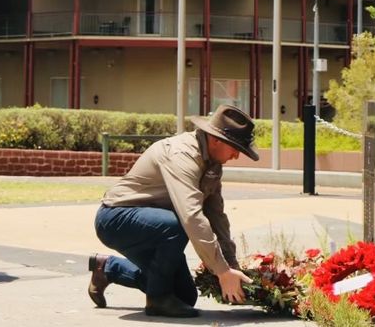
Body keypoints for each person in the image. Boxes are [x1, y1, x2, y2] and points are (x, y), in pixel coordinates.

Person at [88, 104, 258, 318]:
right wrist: (222, 271)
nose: (236, 155)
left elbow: (216, 216)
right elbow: (191, 216)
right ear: (216, 140)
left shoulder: (213, 164)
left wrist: (231, 264)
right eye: (235, 148)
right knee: (177, 225)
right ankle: (157, 300)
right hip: (116, 219)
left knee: (184, 296)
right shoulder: (181, 155)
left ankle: (107, 268)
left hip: (155, 225)